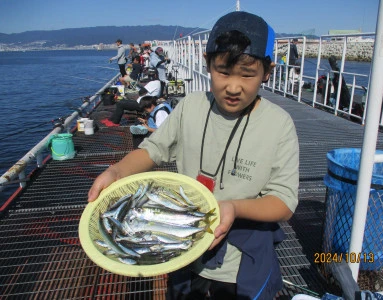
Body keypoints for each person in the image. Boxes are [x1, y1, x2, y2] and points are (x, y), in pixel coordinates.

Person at [89, 11, 299, 299]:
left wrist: (234, 208)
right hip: (182, 253)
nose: (233, 87)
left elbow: (284, 202)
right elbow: (153, 149)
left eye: (248, 75)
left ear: (267, 72)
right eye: (223, 72)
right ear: (207, 63)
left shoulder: (279, 125)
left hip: (241, 264)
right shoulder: (190, 106)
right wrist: (118, 171)